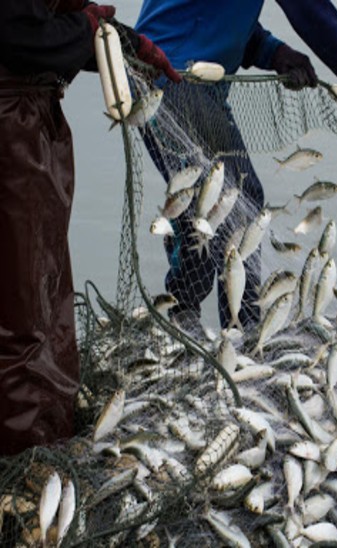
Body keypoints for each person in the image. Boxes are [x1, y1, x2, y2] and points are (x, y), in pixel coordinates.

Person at [135, 0, 337, 336]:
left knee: (222, 201)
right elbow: (309, 9)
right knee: (231, 201)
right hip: (174, 79)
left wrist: (271, 51)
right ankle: (225, 327)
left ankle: (207, 321)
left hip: (177, 76)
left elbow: (213, 13)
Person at [0, 0, 179, 456]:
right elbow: (21, 36)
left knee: (39, 290)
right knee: (23, 309)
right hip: (11, 130)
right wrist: (85, 28)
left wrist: (126, 42)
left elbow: (45, 20)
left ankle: (43, 435)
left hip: (25, 118)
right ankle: (29, 458)